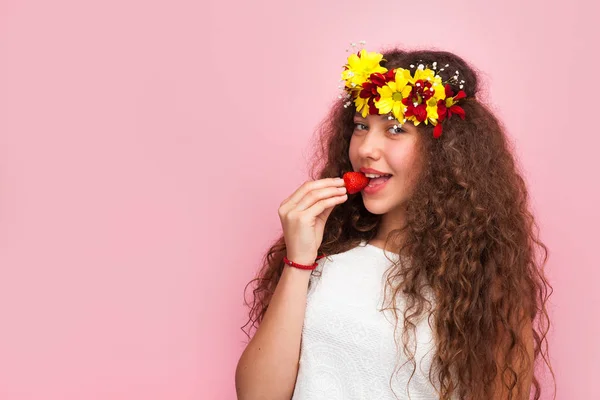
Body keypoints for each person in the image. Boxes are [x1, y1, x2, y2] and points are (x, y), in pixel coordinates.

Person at [234, 44, 555, 400]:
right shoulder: (323, 254)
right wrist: (299, 261)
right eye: (360, 126)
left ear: (445, 151)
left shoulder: (482, 286)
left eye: (395, 129)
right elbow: (257, 396)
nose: (366, 148)